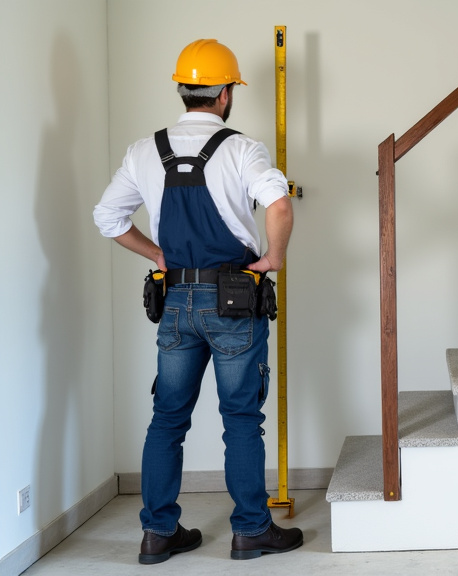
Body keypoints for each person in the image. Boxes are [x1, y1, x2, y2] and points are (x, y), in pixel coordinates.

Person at [93, 38, 301, 564]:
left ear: (183, 91)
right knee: (240, 420)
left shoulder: (145, 150)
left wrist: (159, 253)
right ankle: (251, 531)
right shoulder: (242, 148)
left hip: (177, 300)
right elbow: (277, 203)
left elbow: (108, 219)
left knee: (167, 419)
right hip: (234, 298)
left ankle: (158, 535)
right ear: (226, 94)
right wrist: (273, 256)